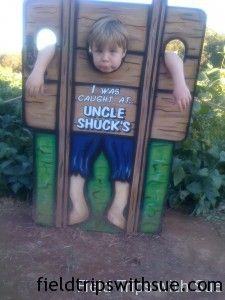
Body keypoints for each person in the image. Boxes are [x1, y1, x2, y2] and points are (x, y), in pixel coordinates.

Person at [26, 16, 191, 229]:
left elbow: (170, 54)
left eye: (113, 51)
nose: (105, 58)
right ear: (89, 51)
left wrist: (180, 83)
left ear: (125, 53)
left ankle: (116, 210)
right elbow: (51, 47)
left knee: (124, 159)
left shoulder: (141, 59)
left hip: (121, 127)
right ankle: (78, 207)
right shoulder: (76, 56)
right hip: (85, 124)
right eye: (99, 51)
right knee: (76, 156)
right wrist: (38, 71)